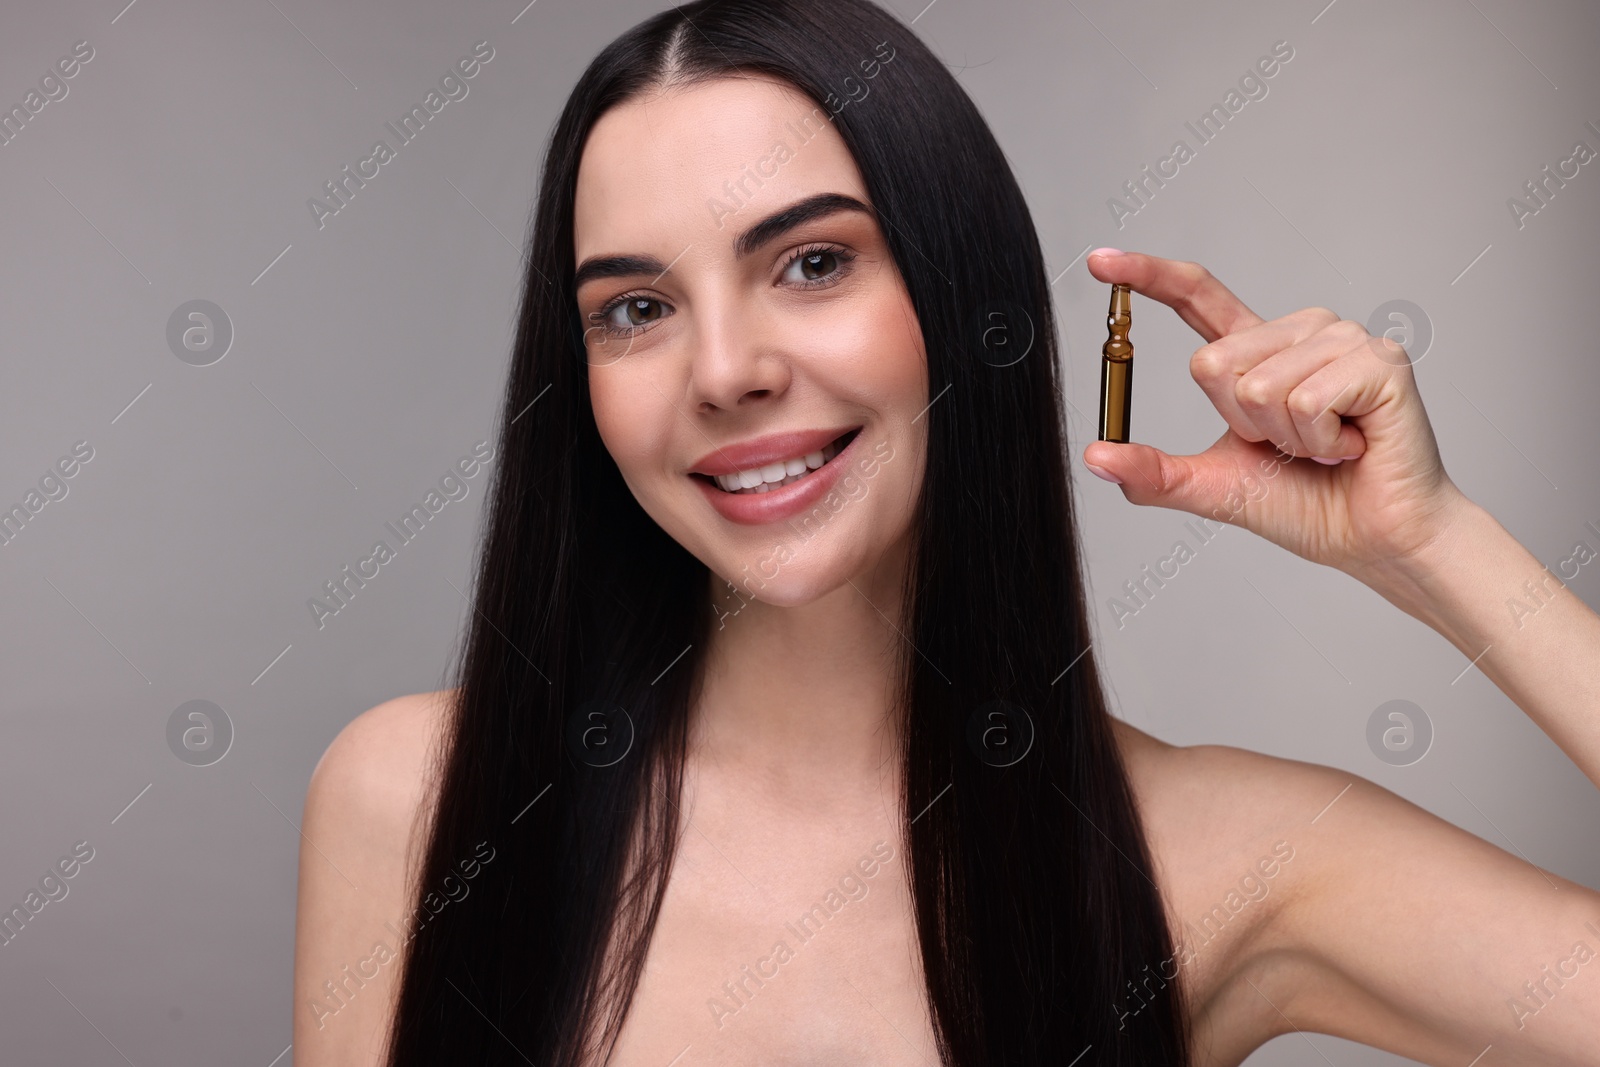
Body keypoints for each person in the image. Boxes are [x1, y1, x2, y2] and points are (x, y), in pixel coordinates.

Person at [292, 0, 1600, 1064]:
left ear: (960, 297)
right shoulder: (410, 802)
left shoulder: (1229, 858)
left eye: (810, 263)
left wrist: (1433, 548)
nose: (725, 370)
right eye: (636, 307)